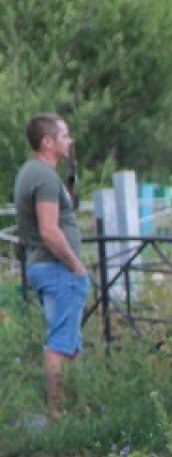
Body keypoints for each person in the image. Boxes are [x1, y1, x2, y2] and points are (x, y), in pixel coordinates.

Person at [15, 114, 89, 420]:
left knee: (68, 340)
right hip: (58, 268)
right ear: (48, 142)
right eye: (65, 136)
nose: (69, 142)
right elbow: (49, 230)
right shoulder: (44, 177)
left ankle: (74, 410)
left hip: (45, 266)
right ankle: (60, 414)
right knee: (60, 343)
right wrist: (75, 265)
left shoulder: (30, 172)